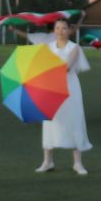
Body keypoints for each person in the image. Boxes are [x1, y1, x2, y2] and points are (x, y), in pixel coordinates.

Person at [37, 17, 92, 175]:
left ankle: (77, 163)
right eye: (57, 28)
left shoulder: (74, 48)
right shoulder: (48, 47)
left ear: (69, 30)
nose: (60, 31)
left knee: (73, 120)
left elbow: (65, 68)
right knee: (49, 122)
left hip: (69, 88)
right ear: (54, 30)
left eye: (64, 28)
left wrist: (48, 69)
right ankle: (47, 161)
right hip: (50, 88)